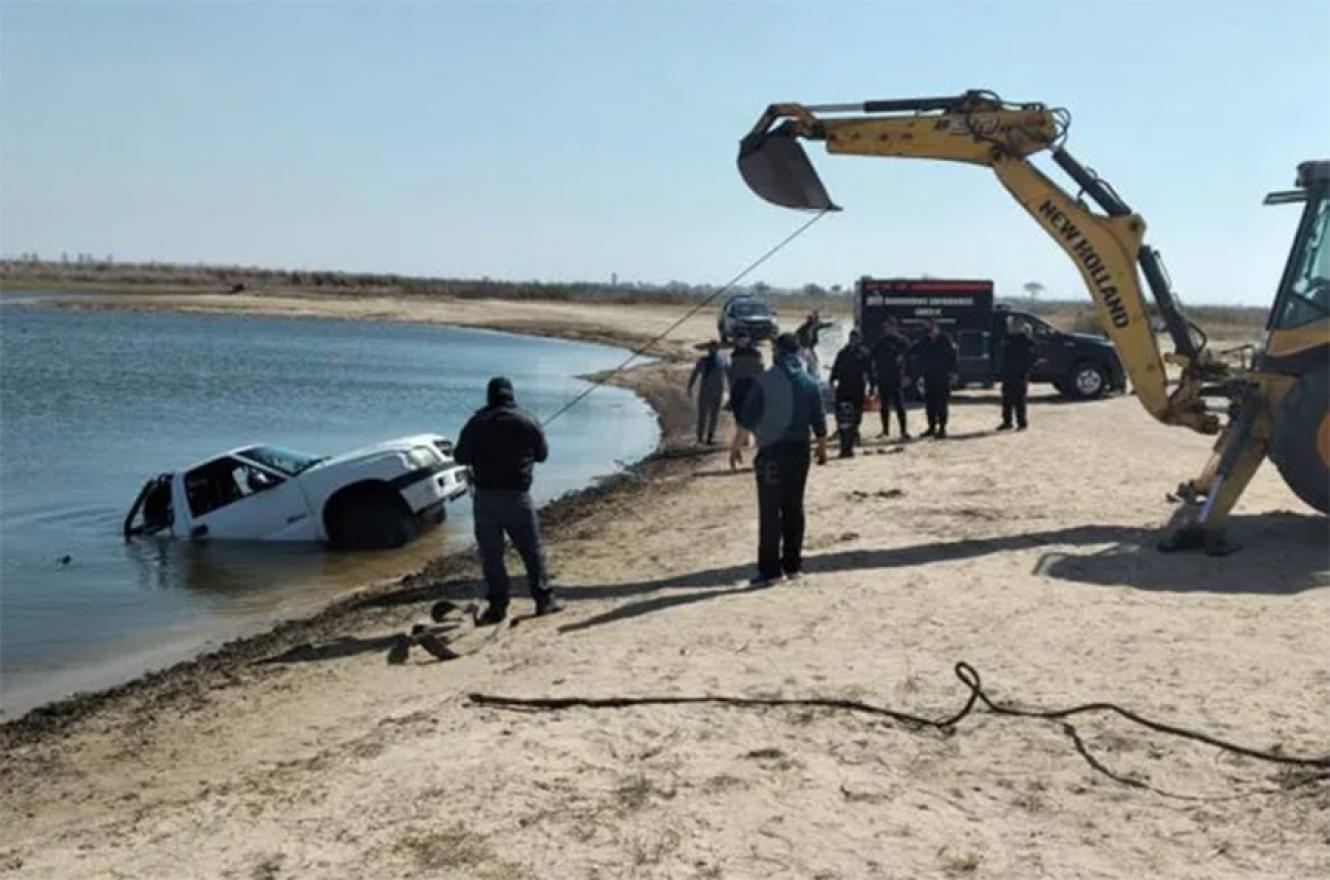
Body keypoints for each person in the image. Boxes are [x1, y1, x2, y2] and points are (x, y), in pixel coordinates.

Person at [454, 376, 563, 624]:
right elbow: (542, 455)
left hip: (485, 498)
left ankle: (497, 607)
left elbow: (460, 456)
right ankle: (544, 600)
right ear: (511, 395)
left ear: (490, 396)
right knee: (531, 550)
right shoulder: (528, 419)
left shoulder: (477, 422)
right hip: (518, 497)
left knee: (492, 554)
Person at [730, 332, 828, 586]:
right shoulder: (809, 382)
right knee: (794, 507)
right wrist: (822, 447)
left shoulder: (764, 381)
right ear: (797, 353)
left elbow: (747, 419)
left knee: (770, 510)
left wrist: (736, 446)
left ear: (777, 351)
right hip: (799, 452)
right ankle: (793, 566)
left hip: (772, 452)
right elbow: (819, 421)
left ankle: (771, 572)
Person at [828, 328, 874, 457]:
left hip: (857, 387)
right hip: (843, 387)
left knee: (857, 413)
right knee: (841, 412)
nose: (853, 340)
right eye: (851, 337)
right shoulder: (843, 353)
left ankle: (855, 432)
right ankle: (843, 433)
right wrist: (832, 380)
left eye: (855, 338)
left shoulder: (864, 353)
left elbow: (870, 371)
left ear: (859, 339)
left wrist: (872, 386)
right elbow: (836, 367)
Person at [914, 319, 958, 439]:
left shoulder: (945, 338)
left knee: (942, 403)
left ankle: (942, 428)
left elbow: (952, 356)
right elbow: (917, 353)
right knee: (930, 403)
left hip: (943, 375)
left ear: (935, 326)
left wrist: (954, 372)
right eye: (927, 330)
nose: (929, 332)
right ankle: (931, 427)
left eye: (930, 328)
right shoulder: (924, 340)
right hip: (929, 375)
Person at [869, 317, 911, 440]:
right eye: (885, 327)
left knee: (900, 405)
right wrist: (873, 376)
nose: (887, 329)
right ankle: (885, 430)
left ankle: (904, 431)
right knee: (884, 405)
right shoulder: (880, 341)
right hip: (883, 377)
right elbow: (873, 358)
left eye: (889, 327)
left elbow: (909, 358)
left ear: (895, 327)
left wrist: (908, 375)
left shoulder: (902, 341)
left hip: (896, 377)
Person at [687, 340, 728, 445]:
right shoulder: (703, 361)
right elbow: (695, 374)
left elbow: (729, 374)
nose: (712, 350)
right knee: (703, 415)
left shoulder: (723, 360)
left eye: (714, 348)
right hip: (705, 391)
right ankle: (700, 437)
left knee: (713, 415)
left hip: (717, 391)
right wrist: (689, 387)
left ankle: (709, 437)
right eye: (711, 349)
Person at [726, 334, 765, 444]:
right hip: (748, 387)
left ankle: (746, 438)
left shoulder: (736, 355)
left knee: (741, 413)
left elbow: (732, 374)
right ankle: (749, 438)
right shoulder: (755, 354)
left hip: (744, 387)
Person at [998, 320, 1035, 431]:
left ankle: (1021, 422)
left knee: (1019, 399)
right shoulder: (1008, 339)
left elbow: (1030, 358)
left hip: (1020, 374)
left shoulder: (1025, 341)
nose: (1010, 329)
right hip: (1008, 372)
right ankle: (1007, 421)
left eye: (1013, 327)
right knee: (1007, 399)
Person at [794, 310, 833, 375]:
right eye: (815, 318)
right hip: (803, 348)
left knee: (814, 361)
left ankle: (813, 373)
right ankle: (811, 374)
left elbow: (822, 325)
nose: (817, 319)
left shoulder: (814, 325)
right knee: (811, 362)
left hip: (809, 348)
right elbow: (797, 335)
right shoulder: (804, 327)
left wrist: (830, 324)